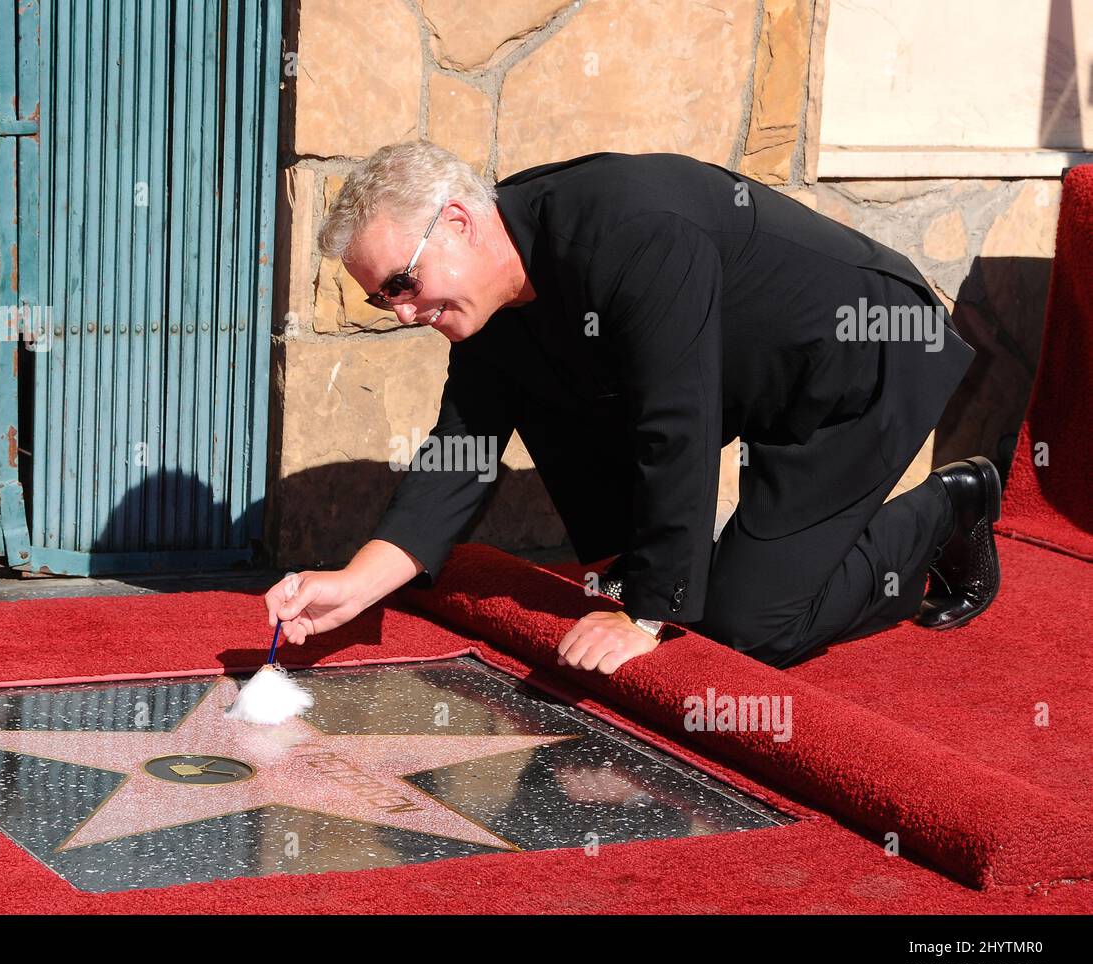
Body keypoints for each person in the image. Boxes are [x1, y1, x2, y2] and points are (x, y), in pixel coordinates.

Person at [263, 141, 1001, 672]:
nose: (400, 311)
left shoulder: (629, 232)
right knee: (543, 390)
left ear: (458, 221)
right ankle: (644, 573)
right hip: (748, 379)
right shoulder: (492, 301)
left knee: (741, 632)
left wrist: (650, 611)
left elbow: (677, 421)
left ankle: (946, 510)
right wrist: (355, 584)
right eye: (380, 297)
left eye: (400, 282)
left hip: (861, 362)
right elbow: (461, 452)